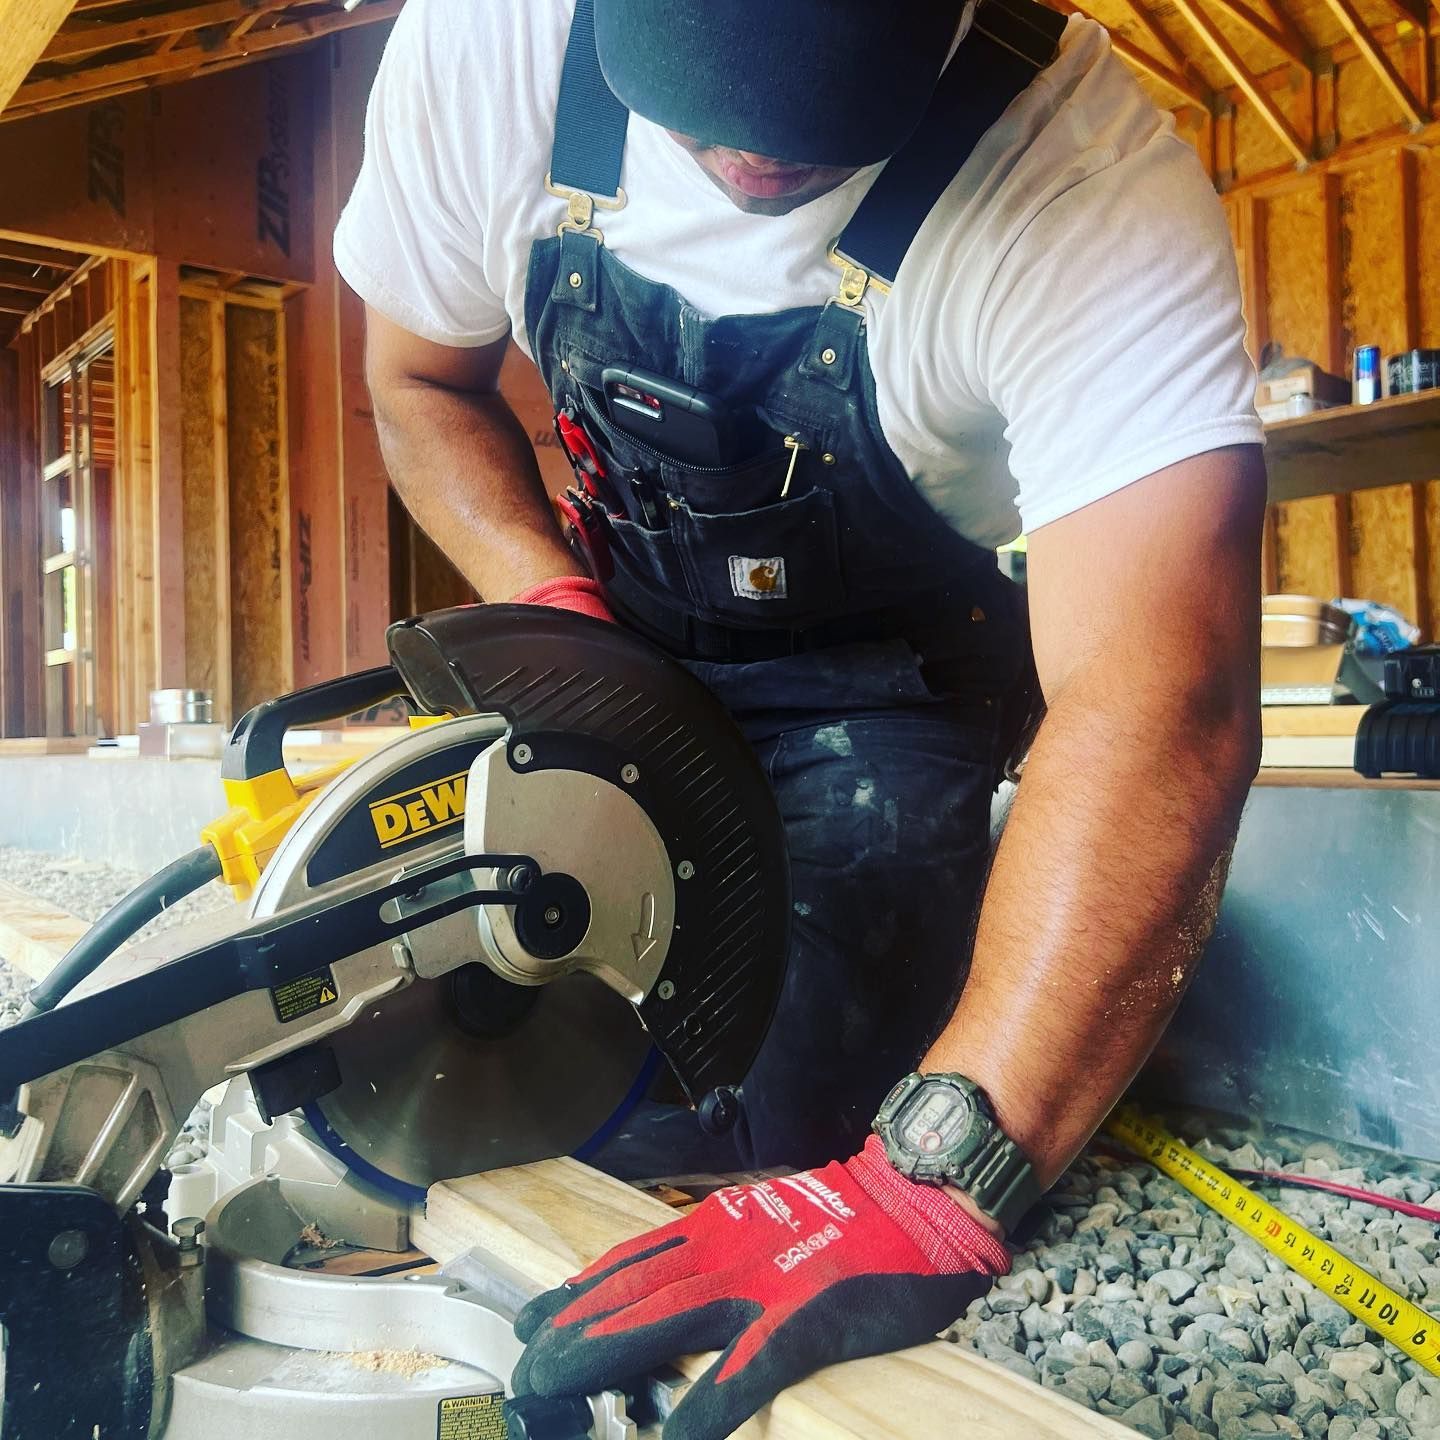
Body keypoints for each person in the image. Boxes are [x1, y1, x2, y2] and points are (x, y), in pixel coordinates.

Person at [334, 0, 1265, 1432]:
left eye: (809, 102)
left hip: (879, 689)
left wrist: (940, 1180)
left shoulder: (1083, 183)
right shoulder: (488, 43)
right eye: (700, 92)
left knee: (775, 1104)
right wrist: (557, 619)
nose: (743, 149)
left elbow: (1164, 701)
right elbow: (417, 381)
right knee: (397, 972)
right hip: (612, 631)